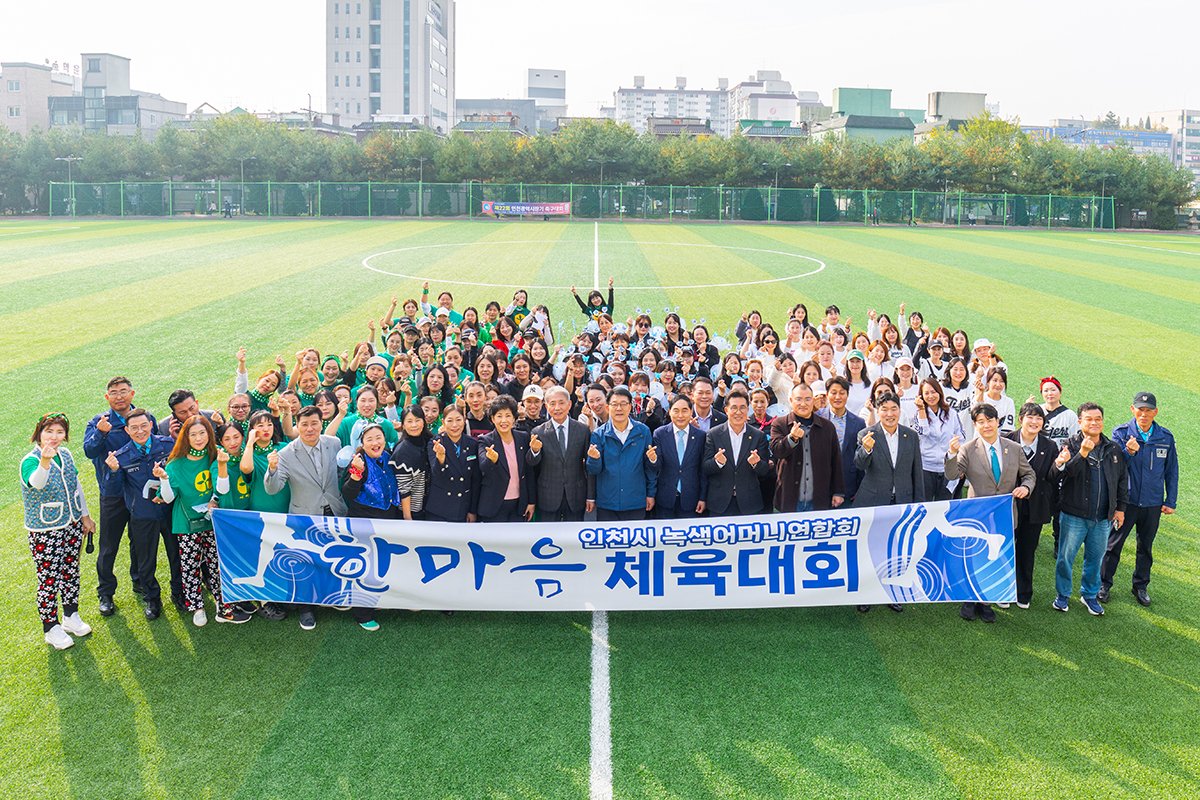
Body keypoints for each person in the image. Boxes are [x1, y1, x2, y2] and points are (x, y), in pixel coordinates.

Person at [156, 415, 251, 626]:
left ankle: (222, 605)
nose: (199, 438)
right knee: (190, 565)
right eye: (193, 434)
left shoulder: (216, 456)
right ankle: (197, 607)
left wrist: (215, 496)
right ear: (185, 437)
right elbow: (169, 498)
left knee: (217, 564)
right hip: (187, 523)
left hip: (213, 521)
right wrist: (164, 479)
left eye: (202, 433)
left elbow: (222, 488)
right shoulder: (175, 464)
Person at [944, 404, 1035, 622]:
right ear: (975, 425)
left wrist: (1026, 487)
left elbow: (1029, 474)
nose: (986, 425)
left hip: (1004, 516)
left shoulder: (1014, 448)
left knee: (994, 558)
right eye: (981, 422)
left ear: (997, 422)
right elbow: (952, 475)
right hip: (976, 516)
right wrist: (952, 454)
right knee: (973, 557)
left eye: (990, 420)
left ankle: (985, 602)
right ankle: (969, 599)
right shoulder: (968, 449)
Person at [263, 406, 349, 631]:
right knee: (305, 563)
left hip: (334, 510)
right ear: (297, 426)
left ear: (321, 423)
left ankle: (334, 596)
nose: (310, 428)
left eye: (314, 423)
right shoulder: (286, 454)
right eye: (304, 424)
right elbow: (273, 489)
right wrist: (272, 469)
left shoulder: (334, 444)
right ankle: (306, 608)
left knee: (334, 556)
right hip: (304, 516)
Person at [83, 376, 157, 616]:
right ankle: (105, 592)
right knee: (108, 545)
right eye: (114, 392)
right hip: (113, 494)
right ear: (107, 397)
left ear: (132, 394)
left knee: (140, 542)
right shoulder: (99, 422)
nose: (119, 396)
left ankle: (139, 580)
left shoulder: (146, 418)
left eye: (123, 391)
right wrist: (100, 433)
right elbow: (89, 451)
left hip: (140, 493)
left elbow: (155, 445)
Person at [21, 413, 96, 650]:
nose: (54, 437)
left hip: (72, 523)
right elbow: (37, 483)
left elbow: (76, 485)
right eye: (49, 431)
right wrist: (44, 461)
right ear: (39, 433)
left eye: (59, 432)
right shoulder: (29, 461)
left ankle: (71, 616)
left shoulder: (66, 454)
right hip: (45, 530)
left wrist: (85, 515)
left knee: (71, 571)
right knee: (49, 579)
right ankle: (50, 627)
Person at [1100, 392, 1178, 607]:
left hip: (1152, 503)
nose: (1144, 414)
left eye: (1148, 410)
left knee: (1146, 547)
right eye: (1140, 409)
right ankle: (1104, 584)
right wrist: (1128, 452)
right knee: (1113, 545)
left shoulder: (1165, 437)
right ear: (1132, 410)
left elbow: (1172, 471)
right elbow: (1113, 465)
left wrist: (1170, 501)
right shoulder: (1121, 433)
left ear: (1155, 412)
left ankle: (1140, 586)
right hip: (1127, 503)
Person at [1052, 402, 1127, 616]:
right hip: (1074, 515)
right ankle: (1063, 595)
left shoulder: (1113, 448)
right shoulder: (1070, 444)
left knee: (1095, 559)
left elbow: (1122, 480)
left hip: (1103, 518)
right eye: (1089, 419)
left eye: (1098, 419)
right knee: (1066, 558)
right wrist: (1082, 453)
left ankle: (1090, 595)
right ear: (1079, 421)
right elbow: (1066, 475)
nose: (1094, 423)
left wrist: (1120, 508)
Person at [104, 408, 178, 621]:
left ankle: (179, 593)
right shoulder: (121, 457)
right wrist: (113, 471)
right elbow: (114, 490)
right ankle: (152, 599)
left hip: (170, 511)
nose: (140, 431)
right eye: (134, 428)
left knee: (177, 555)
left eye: (144, 425)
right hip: (143, 515)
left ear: (151, 425)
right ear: (127, 430)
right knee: (146, 561)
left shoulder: (168, 445)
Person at [852, 391, 922, 614]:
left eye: (894, 409)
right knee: (871, 548)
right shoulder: (866, 433)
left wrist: (919, 505)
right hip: (873, 501)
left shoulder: (911, 436)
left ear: (900, 410)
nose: (889, 414)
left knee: (896, 550)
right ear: (877, 410)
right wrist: (866, 449)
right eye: (884, 409)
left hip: (901, 501)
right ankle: (866, 593)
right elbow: (859, 465)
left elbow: (916, 472)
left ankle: (892, 593)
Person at [1003, 403, 1060, 609]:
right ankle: (1004, 591)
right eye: (1030, 417)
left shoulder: (1049, 446)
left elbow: (1052, 478)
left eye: (1039, 418)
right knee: (1006, 549)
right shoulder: (1006, 440)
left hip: (1035, 506)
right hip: (1008, 505)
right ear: (1021, 419)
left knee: (1027, 550)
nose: (1034, 422)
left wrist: (1059, 464)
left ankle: (1023, 592)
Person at [586, 387, 659, 521]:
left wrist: (651, 493)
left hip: (635, 501)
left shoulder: (643, 431)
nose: (619, 408)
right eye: (614, 404)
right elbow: (593, 470)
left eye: (623, 404)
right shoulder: (599, 434)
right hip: (607, 503)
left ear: (630, 406)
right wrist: (594, 459)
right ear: (608, 407)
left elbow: (649, 469)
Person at [770, 383, 844, 512]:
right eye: (798, 399)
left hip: (819, 499)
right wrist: (792, 438)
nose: (803, 404)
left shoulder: (827, 427)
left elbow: (836, 460)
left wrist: (838, 491)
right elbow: (777, 451)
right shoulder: (780, 424)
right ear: (791, 400)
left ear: (813, 400)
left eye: (807, 399)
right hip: (789, 498)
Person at [528, 386, 593, 521]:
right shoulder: (538, 432)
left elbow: (589, 466)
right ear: (546, 406)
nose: (557, 408)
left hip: (576, 495)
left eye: (561, 403)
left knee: (574, 533)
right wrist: (534, 451)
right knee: (548, 533)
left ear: (569, 404)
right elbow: (532, 465)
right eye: (552, 404)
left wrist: (590, 496)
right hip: (547, 496)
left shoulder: (582, 430)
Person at [702, 389, 771, 516]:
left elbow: (765, 470)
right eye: (734, 408)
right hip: (719, 503)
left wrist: (756, 463)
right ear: (726, 410)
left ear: (748, 410)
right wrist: (717, 463)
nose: (738, 412)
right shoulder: (713, 434)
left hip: (749, 503)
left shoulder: (758, 435)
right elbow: (705, 467)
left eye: (742, 408)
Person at [477, 395, 537, 522]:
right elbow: (483, 467)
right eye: (499, 416)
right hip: (494, 505)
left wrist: (531, 501)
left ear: (514, 418)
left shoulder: (523, 437)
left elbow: (529, 472)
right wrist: (492, 460)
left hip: (519, 504)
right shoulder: (485, 440)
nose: (504, 420)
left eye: (508, 416)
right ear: (492, 419)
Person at [651, 394, 708, 518]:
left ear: (691, 412)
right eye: (676, 411)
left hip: (691, 499)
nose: (680, 415)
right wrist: (653, 459)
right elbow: (656, 467)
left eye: (684, 410)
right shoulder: (660, 434)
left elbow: (703, 470)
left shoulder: (701, 436)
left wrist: (703, 497)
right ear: (669, 412)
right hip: (665, 499)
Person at [909, 377, 965, 502]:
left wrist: (958, 460)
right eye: (926, 393)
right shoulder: (917, 415)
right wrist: (921, 410)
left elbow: (961, 437)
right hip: (925, 467)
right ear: (921, 396)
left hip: (947, 467)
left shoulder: (951, 413)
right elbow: (924, 432)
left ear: (939, 392)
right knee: (925, 504)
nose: (931, 396)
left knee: (946, 504)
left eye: (933, 392)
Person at [424, 406, 480, 523]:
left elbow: (475, 480)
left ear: (464, 420)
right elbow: (436, 475)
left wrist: (472, 510)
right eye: (450, 420)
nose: (455, 425)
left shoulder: (472, 444)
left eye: (458, 420)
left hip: (463, 507)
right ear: (443, 422)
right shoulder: (435, 443)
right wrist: (441, 458)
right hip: (439, 509)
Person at [819, 376, 866, 505]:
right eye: (833, 393)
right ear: (827, 395)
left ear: (847, 395)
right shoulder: (817, 418)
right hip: (820, 485)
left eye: (842, 393)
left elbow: (860, 457)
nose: (838, 397)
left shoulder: (859, 423)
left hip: (848, 486)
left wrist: (859, 489)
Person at [391, 406, 431, 521]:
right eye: (409, 421)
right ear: (403, 425)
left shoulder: (428, 441)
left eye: (417, 420)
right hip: (412, 512)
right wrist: (407, 518)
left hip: (427, 506)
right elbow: (404, 488)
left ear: (424, 422)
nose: (414, 425)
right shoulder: (403, 450)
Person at [156, 389, 223, 438]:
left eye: (191, 408)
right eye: (183, 412)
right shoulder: (164, 427)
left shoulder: (213, 418)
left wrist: (221, 426)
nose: (190, 415)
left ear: (196, 403)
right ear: (174, 414)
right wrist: (173, 439)